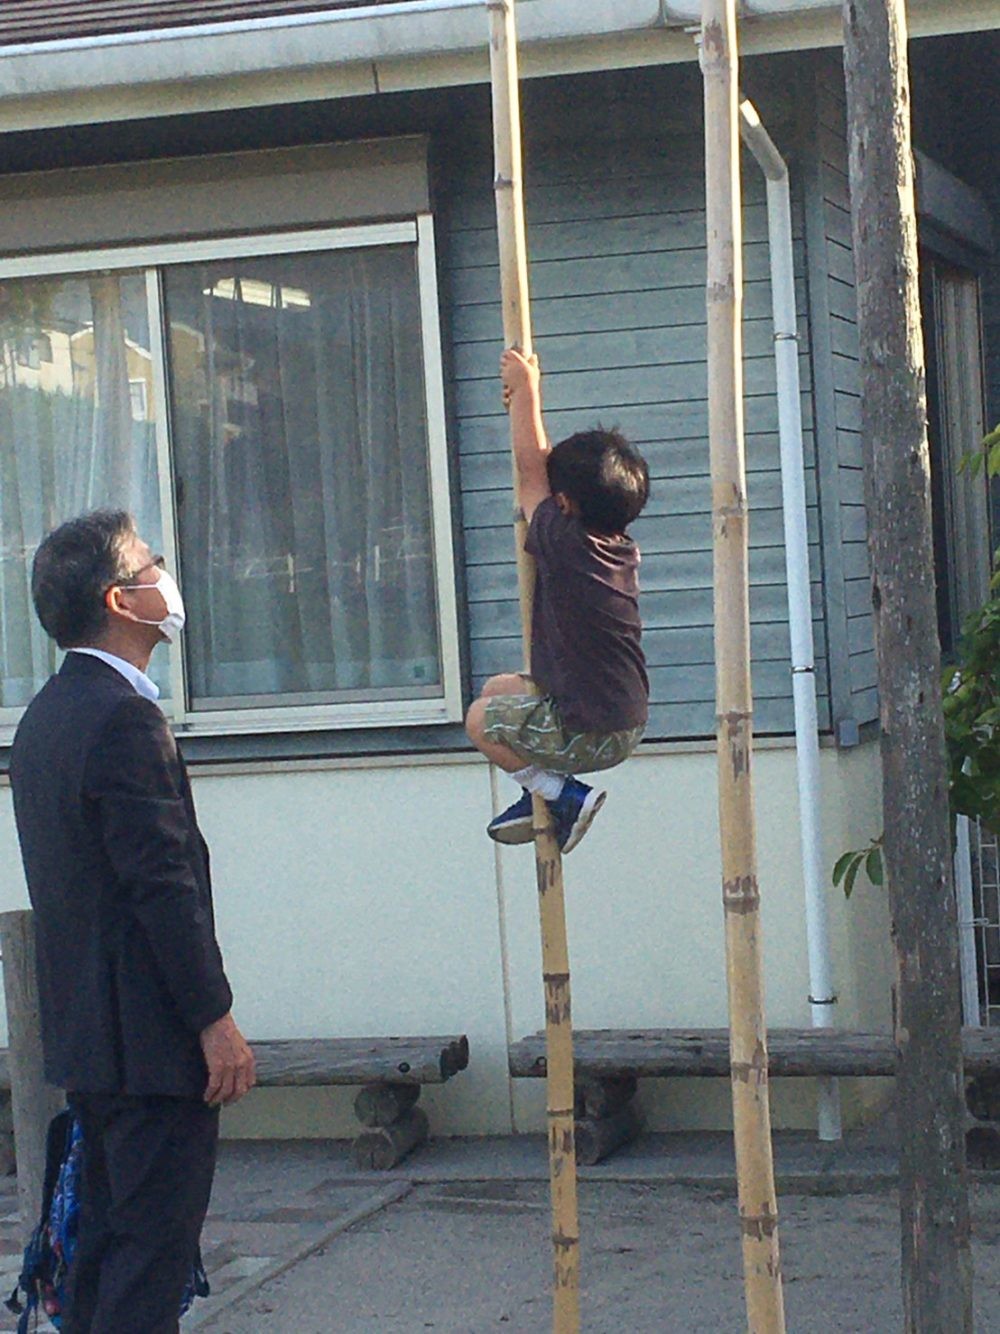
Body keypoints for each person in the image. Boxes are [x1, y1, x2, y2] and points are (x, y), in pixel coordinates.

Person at [9, 510, 255, 1334]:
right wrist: (214, 1018)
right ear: (120, 599)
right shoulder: (121, 718)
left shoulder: (47, 715)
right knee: (148, 1261)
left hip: (90, 1038)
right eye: (152, 565)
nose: (165, 578)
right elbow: (162, 885)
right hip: (151, 1046)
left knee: (100, 1252)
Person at [465, 349, 650, 853]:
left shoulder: (568, 545)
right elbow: (543, 476)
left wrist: (527, 388)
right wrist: (526, 396)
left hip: (593, 733)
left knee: (480, 720)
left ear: (564, 503)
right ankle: (541, 791)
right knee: (498, 689)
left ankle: (562, 794)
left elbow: (531, 470)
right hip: (614, 712)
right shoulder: (613, 545)